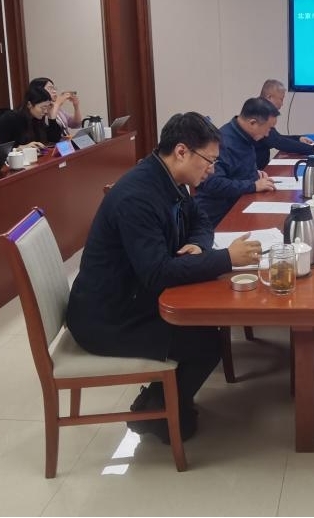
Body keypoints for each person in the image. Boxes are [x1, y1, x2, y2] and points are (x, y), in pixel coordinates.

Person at [66, 112, 262, 444]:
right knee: (204, 343)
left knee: (205, 327)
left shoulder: (169, 178)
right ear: (182, 151)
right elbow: (157, 273)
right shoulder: (138, 197)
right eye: (209, 161)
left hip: (134, 297)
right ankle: (157, 414)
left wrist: (199, 246)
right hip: (108, 317)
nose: (212, 170)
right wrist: (227, 258)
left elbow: (200, 220)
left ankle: (158, 404)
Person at [195, 98, 280, 227]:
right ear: (253, 123)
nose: (268, 134)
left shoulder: (245, 136)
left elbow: (235, 170)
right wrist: (253, 185)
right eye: (268, 128)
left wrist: (254, 174)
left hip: (241, 203)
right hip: (219, 216)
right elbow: (213, 183)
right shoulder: (224, 142)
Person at [254, 78, 314, 169]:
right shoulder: (260, 111)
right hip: (254, 172)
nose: (282, 104)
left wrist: (298, 139)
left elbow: (275, 137)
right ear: (269, 97)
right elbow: (277, 141)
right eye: (281, 99)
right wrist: (312, 150)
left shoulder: (259, 107)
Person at [0, 85, 65, 150]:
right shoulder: (11, 118)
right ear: (29, 104)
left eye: (47, 107)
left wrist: (52, 118)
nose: (46, 111)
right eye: (43, 107)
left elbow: (53, 140)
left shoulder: (37, 118)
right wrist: (20, 148)